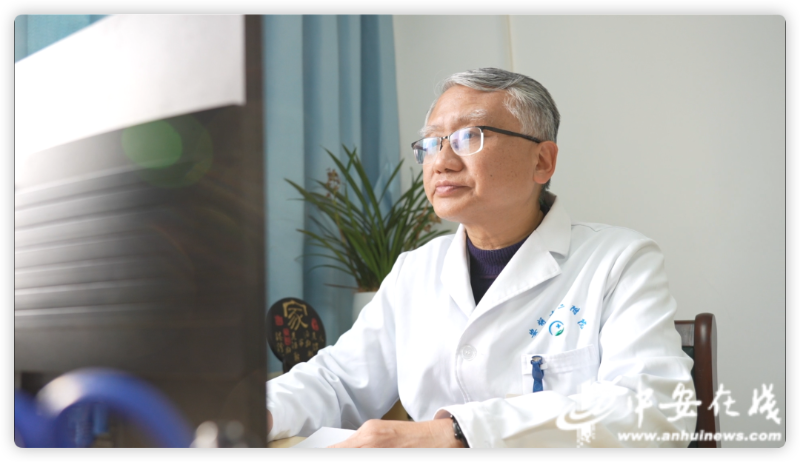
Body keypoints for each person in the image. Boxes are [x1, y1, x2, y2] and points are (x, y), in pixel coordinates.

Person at [266, 68, 696, 447]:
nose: (441, 162)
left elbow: (651, 412)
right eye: (432, 143)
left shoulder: (619, 260)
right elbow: (338, 381)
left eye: (469, 137)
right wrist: (258, 413)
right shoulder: (415, 270)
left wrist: (458, 433)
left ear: (542, 161)